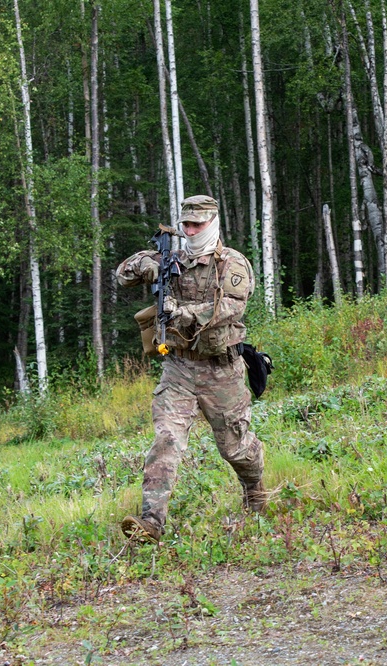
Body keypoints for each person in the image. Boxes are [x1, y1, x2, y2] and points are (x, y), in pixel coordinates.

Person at [116, 195, 267, 543]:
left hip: (222, 370)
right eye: (186, 224)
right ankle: (150, 522)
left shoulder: (232, 263)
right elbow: (122, 275)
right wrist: (144, 264)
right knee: (166, 439)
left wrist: (181, 312)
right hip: (179, 368)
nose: (191, 230)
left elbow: (231, 307)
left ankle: (255, 491)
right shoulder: (172, 257)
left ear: (212, 223)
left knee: (235, 447)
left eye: (198, 224)